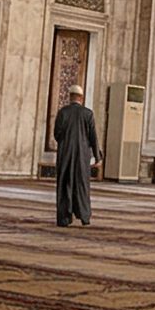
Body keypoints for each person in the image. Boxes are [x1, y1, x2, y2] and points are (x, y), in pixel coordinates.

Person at [52, 85, 100, 228]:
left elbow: (56, 134)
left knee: (64, 184)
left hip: (65, 154)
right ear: (81, 98)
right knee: (82, 185)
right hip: (82, 156)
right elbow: (93, 137)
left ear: (70, 97)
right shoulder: (88, 114)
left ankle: (64, 218)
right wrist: (97, 156)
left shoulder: (62, 113)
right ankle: (84, 216)